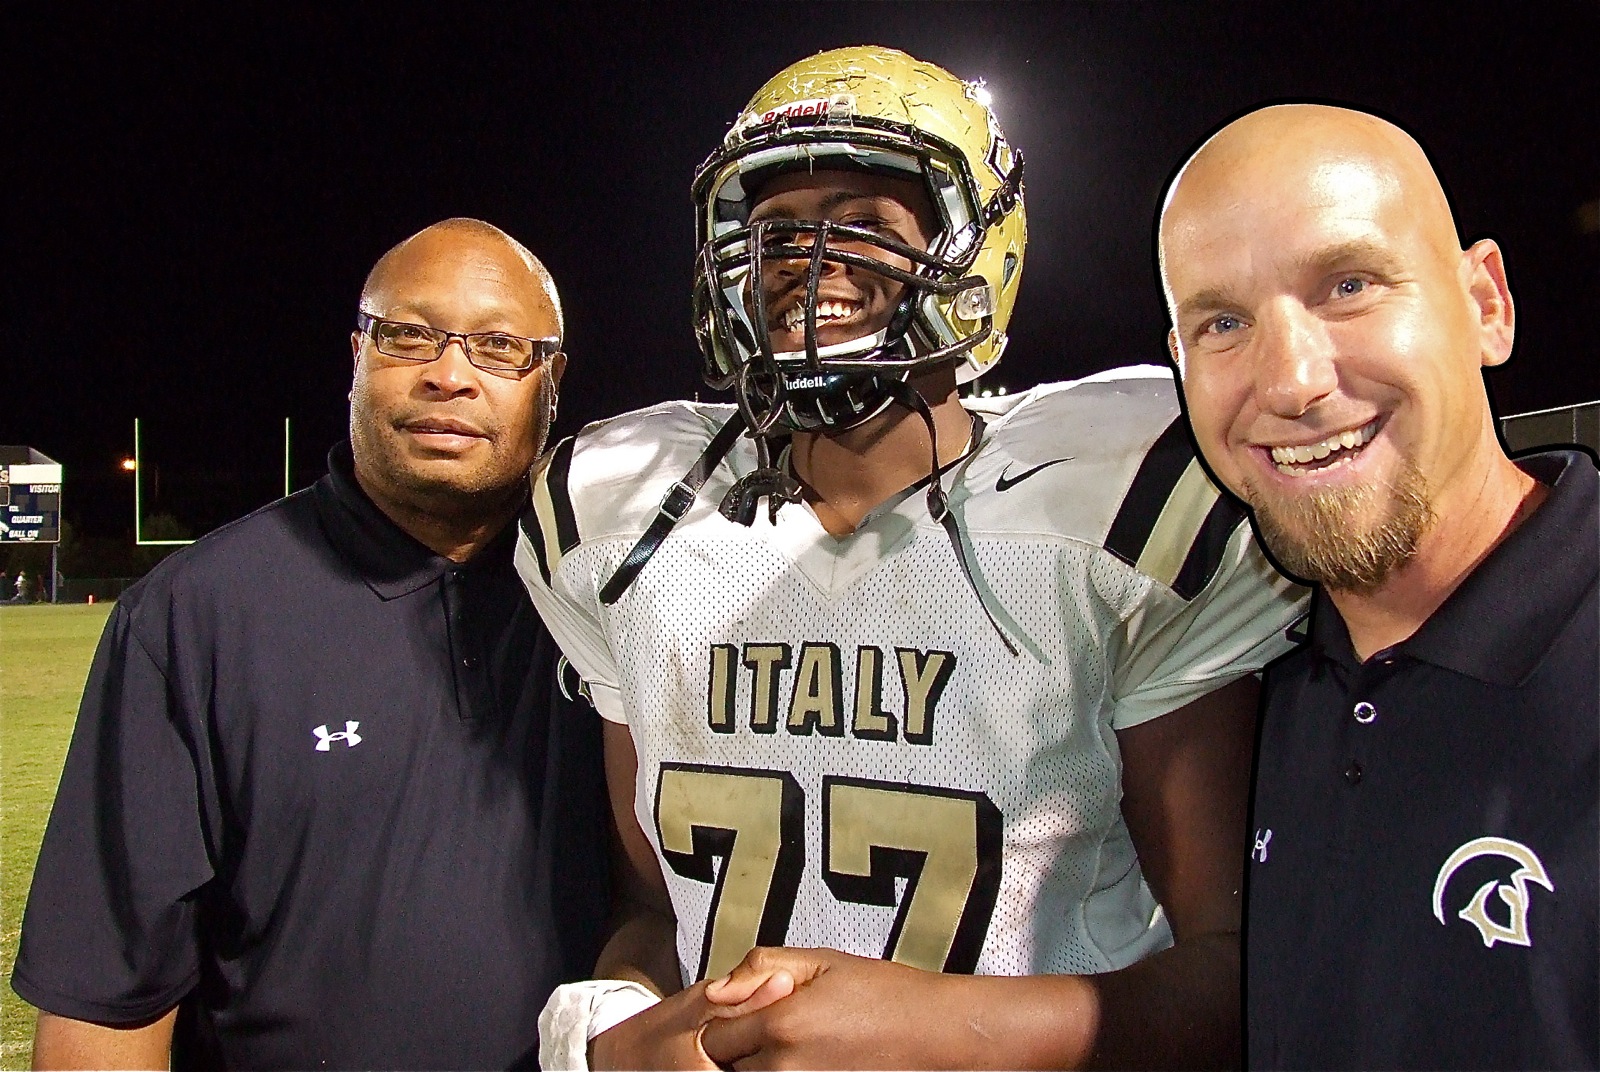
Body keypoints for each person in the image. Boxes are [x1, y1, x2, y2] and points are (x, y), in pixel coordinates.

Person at [519, 47, 1305, 1070]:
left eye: (864, 222)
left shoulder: (1119, 509)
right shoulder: (622, 518)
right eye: (775, 232)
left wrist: (935, 1030)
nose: (809, 258)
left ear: (972, 253)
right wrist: (628, 1025)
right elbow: (655, 906)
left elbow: (1237, 975)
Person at [12, 218, 611, 1070]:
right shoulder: (195, 616)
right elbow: (105, 1010)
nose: (450, 374)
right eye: (409, 336)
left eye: (499, 346)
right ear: (357, 355)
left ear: (551, 380)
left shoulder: (621, 597)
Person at [1159, 104, 1598, 1069]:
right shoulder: (1251, 673)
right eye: (1223, 323)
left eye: (1349, 286)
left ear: (1486, 304)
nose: (1292, 382)